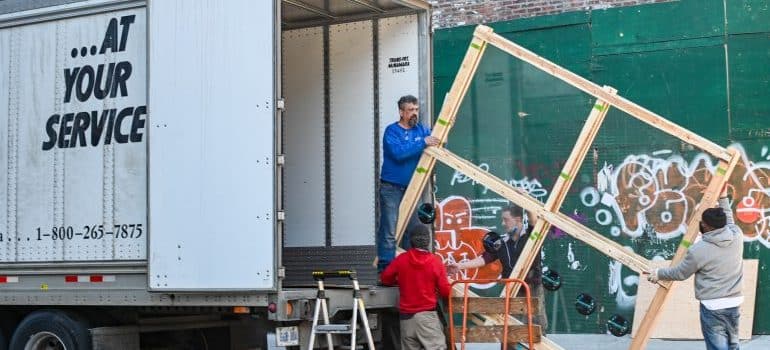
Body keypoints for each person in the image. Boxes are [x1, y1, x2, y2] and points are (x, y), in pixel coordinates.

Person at [646, 186, 743, 350]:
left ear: (708, 227)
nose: (701, 224)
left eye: (703, 223)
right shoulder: (736, 235)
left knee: (718, 347)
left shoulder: (699, 250)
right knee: (733, 345)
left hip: (713, 306)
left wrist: (658, 274)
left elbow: (680, 273)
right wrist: (723, 197)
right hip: (734, 303)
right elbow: (729, 221)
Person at [446, 204, 548, 333]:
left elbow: (534, 220)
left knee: (537, 327)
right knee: (511, 328)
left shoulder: (532, 237)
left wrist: (524, 199)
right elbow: (484, 259)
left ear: (518, 219)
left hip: (532, 288)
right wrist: (460, 266)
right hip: (512, 291)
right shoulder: (502, 242)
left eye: (506, 219)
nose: (503, 223)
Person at [377, 95, 440, 272]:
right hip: (391, 188)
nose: (414, 113)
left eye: (416, 110)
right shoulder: (392, 131)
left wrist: (444, 130)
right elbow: (398, 153)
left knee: (412, 230)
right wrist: (422, 142)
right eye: (410, 110)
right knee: (389, 230)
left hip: (413, 187)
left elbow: (437, 144)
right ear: (401, 112)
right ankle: (386, 271)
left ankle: (408, 272)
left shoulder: (421, 129)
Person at [380, 224, 451, 350]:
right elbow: (445, 291)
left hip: (406, 319)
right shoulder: (435, 262)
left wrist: (399, 279)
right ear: (428, 241)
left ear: (411, 241)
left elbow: (385, 278)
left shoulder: (401, 260)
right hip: (427, 318)